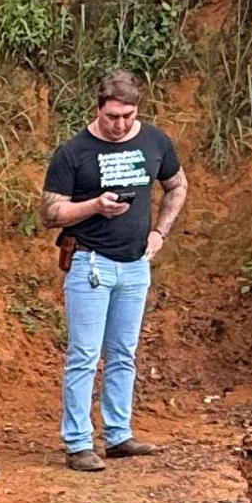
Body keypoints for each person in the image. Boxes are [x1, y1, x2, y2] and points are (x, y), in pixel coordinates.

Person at [41, 69, 188, 474]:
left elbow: (177, 185)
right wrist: (93, 206)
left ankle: (119, 434)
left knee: (124, 353)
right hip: (90, 262)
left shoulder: (155, 140)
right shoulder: (74, 152)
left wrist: (160, 232)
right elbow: (50, 212)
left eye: (128, 116)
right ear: (98, 110)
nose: (121, 124)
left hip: (135, 264)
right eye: (112, 117)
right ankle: (78, 441)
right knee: (84, 355)